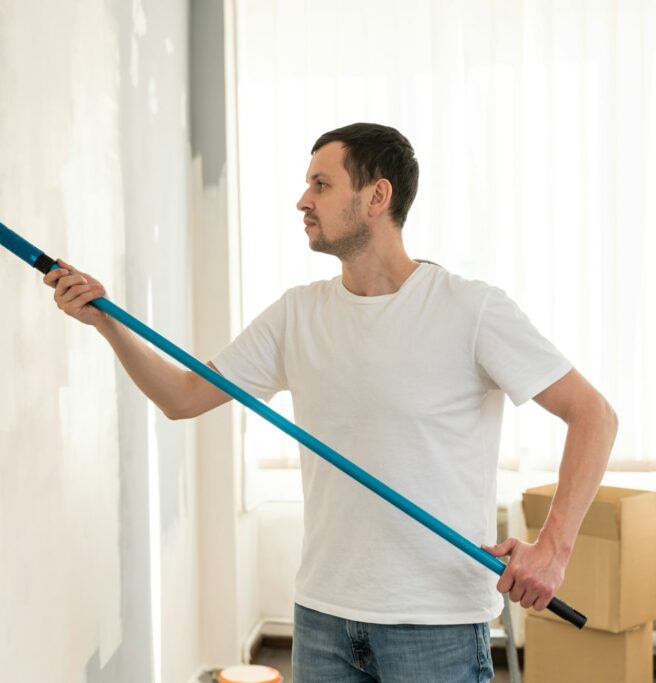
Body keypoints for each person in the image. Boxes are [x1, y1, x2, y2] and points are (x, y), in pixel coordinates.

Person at [42, 122, 618, 682]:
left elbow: (593, 415)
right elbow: (183, 398)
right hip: (323, 619)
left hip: (435, 623)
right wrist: (107, 323)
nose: (302, 201)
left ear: (377, 196)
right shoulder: (298, 314)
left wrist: (553, 549)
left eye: (321, 184)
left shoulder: (469, 310)